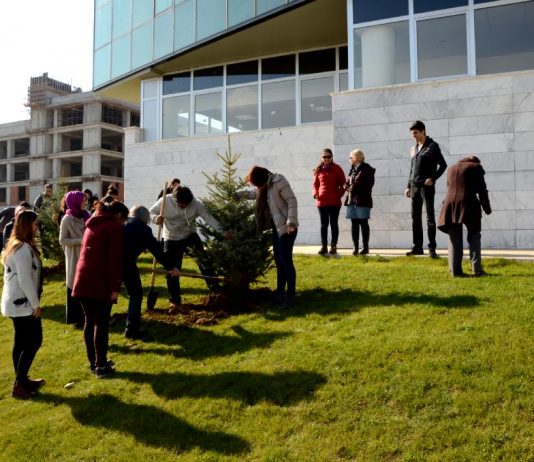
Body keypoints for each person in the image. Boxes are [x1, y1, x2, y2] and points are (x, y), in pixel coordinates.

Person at [72, 199, 129, 378]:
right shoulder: (113, 227)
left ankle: (94, 362)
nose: (123, 223)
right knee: (101, 323)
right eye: (123, 219)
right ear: (118, 215)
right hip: (99, 279)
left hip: (83, 277)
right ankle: (102, 366)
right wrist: (115, 287)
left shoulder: (92, 223)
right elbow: (114, 260)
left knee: (90, 320)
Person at [149, 186, 220, 308]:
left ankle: (216, 290)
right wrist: (156, 219)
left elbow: (208, 218)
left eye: (187, 204)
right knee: (172, 270)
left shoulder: (196, 204)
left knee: (204, 262)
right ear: (175, 199)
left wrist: (223, 231)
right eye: (182, 204)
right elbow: (150, 212)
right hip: (171, 238)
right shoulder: (165, 200)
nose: (185, 206)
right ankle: (175, 300)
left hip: (189, 236)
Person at [1, 210, 45, 399]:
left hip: (17, 302)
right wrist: (35, 305)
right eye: (35, 223)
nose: (37, 227)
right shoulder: (22, 249)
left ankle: (22, 380)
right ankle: (19, 384)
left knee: (21, 341)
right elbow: (25, 280)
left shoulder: (19, 245)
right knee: (34, 341)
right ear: (27, 225)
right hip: (22, 303)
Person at [123, 205, 180, 339]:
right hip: (126, 264)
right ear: (145, 218)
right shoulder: (143, 229)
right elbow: (157, 251)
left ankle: (100, 325)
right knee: (135, 294)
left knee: (108, 294)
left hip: (109, 261)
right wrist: (171, 267)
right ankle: (132, 329)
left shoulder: (123, 223)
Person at [246, 166, 298, 309]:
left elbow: (292, 201)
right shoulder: (266, 186)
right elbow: (255, 194)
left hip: (288, 228)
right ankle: (280, 293)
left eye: (258, 184)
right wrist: (240, 195)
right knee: (279, 261)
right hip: (277, 228)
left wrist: (291, 222)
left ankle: (291, 296)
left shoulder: (279, 181)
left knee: (286, 262)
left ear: (263, 179)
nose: (258, 187)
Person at [438, 156, 492, 277]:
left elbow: (449, 187)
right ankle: (477, 269)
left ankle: (455, 271)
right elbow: (482, 190)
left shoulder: (451, 168)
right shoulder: (476, 167)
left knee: (454, 238)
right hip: (469, 203)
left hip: (450, 205)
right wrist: (487, 209)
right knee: (474, 235)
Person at [405, 120, 447, 258]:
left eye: (416, 133)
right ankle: (417, 247)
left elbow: (443, 165)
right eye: (412, 134)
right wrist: (408, 186)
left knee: (430, 218)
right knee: (415, 218)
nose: (414, 136)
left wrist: (433, 179)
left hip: (426, 187)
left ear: (423, 131)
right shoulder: (414, 148)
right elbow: (412, 169)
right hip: (414, 187)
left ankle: (432, 248)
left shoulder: (433, 146)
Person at [59, 191, 90, 326]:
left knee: (86, 284)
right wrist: (80, 240)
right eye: (83, 200)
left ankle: (87, 316)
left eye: (85, 200)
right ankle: (76, 318)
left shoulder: (87, 216)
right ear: (75, 202)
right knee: (74, 284)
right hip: (74, 256)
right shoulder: (66, 219)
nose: (85, 203)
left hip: (87, 255)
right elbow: (62, 240)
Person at [312, 148, 346, 255]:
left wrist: (338, 196)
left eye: (328, 157)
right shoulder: (318, 170)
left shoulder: (337, 168)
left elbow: (343, 184)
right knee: (324, 224)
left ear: (332, 157)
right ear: (321, 158)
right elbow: (315, 185)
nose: (326, 159)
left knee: (333, 224)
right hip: (322, 202)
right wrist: (315, 194)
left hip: (334, 202)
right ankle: (324, 247)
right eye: (324, 157)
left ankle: (333, 246)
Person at [344, 149, 375, 255]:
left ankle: (365, 247)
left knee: (363, 223)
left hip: (362, 200)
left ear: (358, 158)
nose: (349, 159)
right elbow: (348, 181)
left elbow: (368, 185)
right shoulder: (353, 169)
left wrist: (355, 186)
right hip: (351, 199)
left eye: (351, 157)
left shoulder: (367, 169)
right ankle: (355, 247)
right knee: (354, 223)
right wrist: (346, 186)